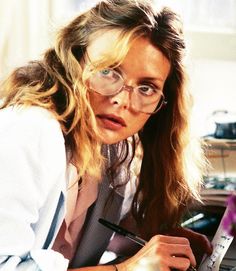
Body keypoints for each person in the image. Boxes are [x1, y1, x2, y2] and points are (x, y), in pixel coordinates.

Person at [0, 0, 212, 270]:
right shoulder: (29, 130)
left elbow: (96, 231)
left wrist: (149, 242)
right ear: (72, 62)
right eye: (108, 71)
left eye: (146, 88)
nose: (123, 101)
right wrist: (126, 269)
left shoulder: (113, 148)